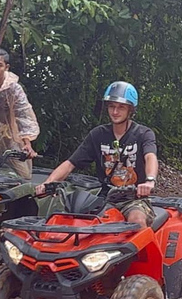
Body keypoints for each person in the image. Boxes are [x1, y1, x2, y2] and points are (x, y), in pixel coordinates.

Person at [35, 81, 158, 229]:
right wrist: (47, 183)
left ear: (131, 110)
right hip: (105, 197)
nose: (115, 112)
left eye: (121, 107)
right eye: (112, 106)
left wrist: (150, 181)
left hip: (134, 198)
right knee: (74, 221)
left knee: (137, 221)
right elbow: (70, 163)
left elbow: (150, 156)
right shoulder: (98, 134)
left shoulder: (143, 133)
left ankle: (140, 253)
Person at [0, 48, 40, 179]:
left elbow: (23, 115)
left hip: (9, 135)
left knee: (24, 175)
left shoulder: (13, 88)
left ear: (6, 67)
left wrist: (27, 143)